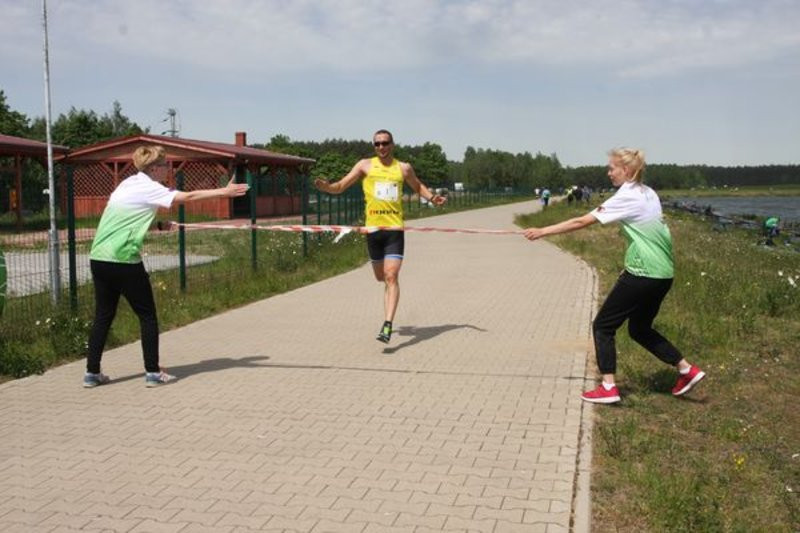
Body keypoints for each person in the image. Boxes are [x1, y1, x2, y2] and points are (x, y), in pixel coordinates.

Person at [523, 147, 705, 404]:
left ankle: (608, 387)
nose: (608, 173)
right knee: (639, 329)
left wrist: (543, 231)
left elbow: (581, 222)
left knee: (603, 326)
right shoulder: (648, 192)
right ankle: (687, 370)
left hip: (644, 273)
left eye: (612, 168)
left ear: (627, 170)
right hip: (663, 273)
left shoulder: (627, 195)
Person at [83, 145, 250, 388]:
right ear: (153, 168)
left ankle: (91, 373)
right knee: (147, 317)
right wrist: (224, 192)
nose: (168, 169)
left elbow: (124, 221)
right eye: (164, 165)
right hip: (123, 260)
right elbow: (188, 197)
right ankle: (152, 372)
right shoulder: (151, 187)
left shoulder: (127, 184)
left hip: (99, 258)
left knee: (103, 316)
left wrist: (156, 226)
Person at [314, 129, 447, 343]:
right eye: (377, 144)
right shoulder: (364, 165)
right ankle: (387, 301)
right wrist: (326, 187)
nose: (381, 147)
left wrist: (432, 198)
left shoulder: (403, 168)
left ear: (392, 144)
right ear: (374, 146)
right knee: (380, 277)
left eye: (385, 143)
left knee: (391, 276)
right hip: (373, 232)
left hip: (394, 230)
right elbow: (340, 186)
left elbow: (418, 186)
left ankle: (387, 325)